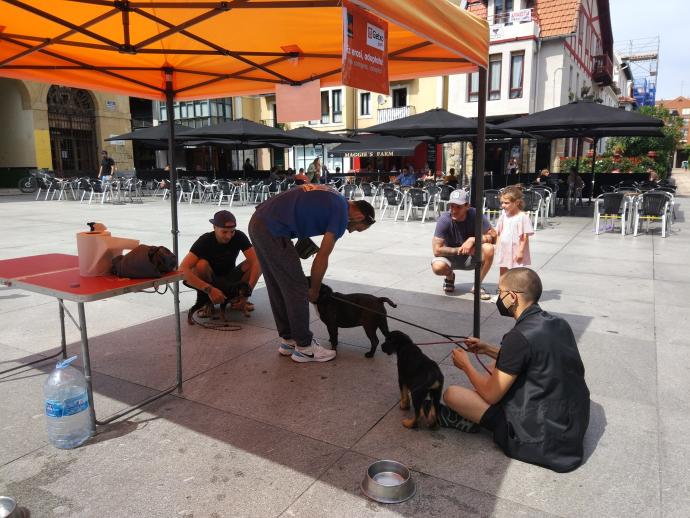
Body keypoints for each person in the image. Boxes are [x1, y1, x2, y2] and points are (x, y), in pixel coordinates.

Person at [440, 268, 591, 473]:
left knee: (452, 394)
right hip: (570, 428)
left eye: (500, 293)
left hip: (538, 440)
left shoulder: (518, 338)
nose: (498, 298)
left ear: (512, 297)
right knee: (496, 367)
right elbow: (531, 355)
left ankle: (475, 420)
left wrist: (466, 365)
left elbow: (492, 396)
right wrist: (488, 348)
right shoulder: (559, 323)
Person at [248, 185, 376, 363]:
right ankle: (305, 347)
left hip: (258, 222)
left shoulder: (334, 196)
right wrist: (314, 289)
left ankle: (288, 340)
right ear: (360, 216)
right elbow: (322, 258)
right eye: (357, 228)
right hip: (273, 229)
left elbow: (298, 206)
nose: (349, 230)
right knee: (298, 286)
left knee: (277, 284)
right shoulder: (341, 213)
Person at [181, 210, 261, 313]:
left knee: (257, 260)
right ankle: (207, 301)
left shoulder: (239, 236)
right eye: (224, 232)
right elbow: (183, 269)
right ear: (214, 228)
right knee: (201, 265)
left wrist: (247, 293)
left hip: (230, 277)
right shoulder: (205, 240)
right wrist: (208, 289)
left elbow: (256, 262)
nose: (229, 236)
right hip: (210, 280)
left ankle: (238, 298)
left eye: (232, 231)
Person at [431, 189, 496, 299]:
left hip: (471, 257)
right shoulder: (444, 219)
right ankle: (450, 277)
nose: (454, 210)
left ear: (467, 206)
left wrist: (473, 240)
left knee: (489, 249)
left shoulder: (475, 214)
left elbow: (494, 237)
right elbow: (436, 250)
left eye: (458, 207)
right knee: (438, 267)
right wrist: (460, 249)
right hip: (449, 257)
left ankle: (477, 285)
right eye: (452, 206)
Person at [495, 186, 533, 282]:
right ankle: (502, 292)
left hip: (516, 250)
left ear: (516, 202)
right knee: (503, 270)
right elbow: (499, 233)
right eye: (502, 203)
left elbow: (525, 236)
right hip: (504, 249)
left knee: (515, 273)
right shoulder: (504, 216)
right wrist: (497, 247)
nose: (503, 205)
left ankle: (514, 292)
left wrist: (520, 251)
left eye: (506, 203)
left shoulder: (522, 217)